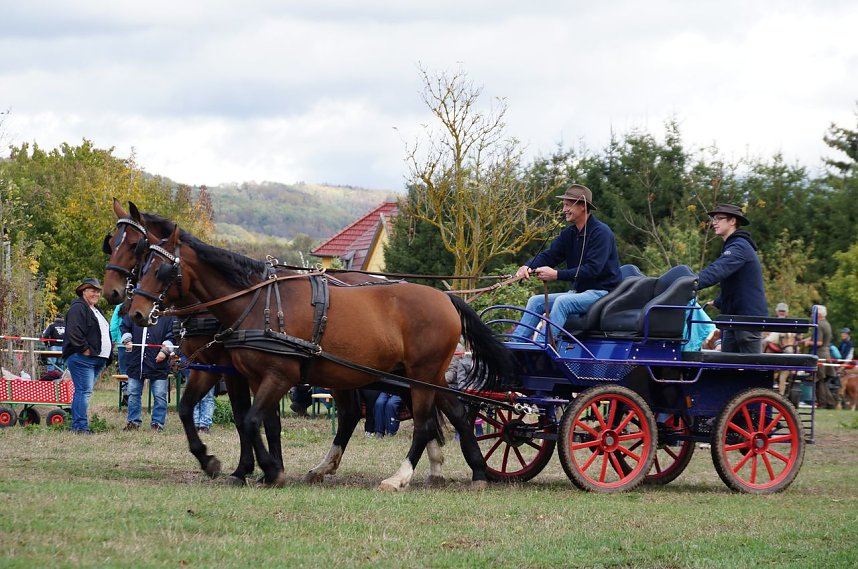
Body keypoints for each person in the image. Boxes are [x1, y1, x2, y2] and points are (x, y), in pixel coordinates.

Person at [513, 184, 621, 341]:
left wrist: (557, 275)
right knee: (535, 301)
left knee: (563, 302)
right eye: (564, 205)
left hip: (602, 293)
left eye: (567, 205)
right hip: (579, 293)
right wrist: (527, 266)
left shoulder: (601, 233)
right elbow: (550, 256)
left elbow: (592, 269)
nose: (564, 209)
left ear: (583, 206)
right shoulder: (569, 234)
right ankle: (515, 346)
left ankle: (542, 347)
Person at [697, 204, 768, 353]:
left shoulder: (739, 247)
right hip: (733, 319)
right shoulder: (734, 245)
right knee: (728, 366)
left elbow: (717, 270)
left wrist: (690, 282)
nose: (714, 222)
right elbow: (738, 285)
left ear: (732, 221)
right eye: (713, 219)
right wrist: (719, 301)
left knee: (752, 369)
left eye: (719, 218)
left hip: (747, 320)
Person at [62, 278, 112, 434]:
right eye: (92, 290)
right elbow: (73, 331)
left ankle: (79, 425)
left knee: (84, 391)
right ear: (83, 291)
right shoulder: (78, 308)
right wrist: (85, 349)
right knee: (83, 391)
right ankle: (79, 427)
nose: (96, 293)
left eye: (98, 291)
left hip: (97, 358)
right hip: (83, 358)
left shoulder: (95, 310)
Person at [120, 313, 177, 432]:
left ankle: (157, 423)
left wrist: (165, 351)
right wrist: (127, 339)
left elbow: (172, 335)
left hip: (159, 364)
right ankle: (133, 422)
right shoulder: (136, 311)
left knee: (160, 396)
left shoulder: (167, 315)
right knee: (133, 394)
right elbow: (125, 326)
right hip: (136, 362)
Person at [802, 305, 838, 409]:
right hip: (826, 354)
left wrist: (808, 343)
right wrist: (807, 339)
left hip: (820, 354)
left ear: (819, 314)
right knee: (822, 381)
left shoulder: (819, 325)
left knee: (819, 381)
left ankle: (825, 403)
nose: (812, 315)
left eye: (814, 313)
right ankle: (830, 403)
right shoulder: (826, 324)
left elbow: (819, 342)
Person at [763, 302, 798, 395]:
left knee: (795, 348)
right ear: (777, 312)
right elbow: (765, 333)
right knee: (764, 342)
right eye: (780, 311)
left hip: (786, 346)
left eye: (783, 311)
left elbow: (794, 337)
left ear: (787, 312)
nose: (782, 313)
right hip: (773, 345)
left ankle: (782, 394)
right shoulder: (771, 321)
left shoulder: (791, 323)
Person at [109, 303, 129, 404]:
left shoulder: (120, 306)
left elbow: (114, 325)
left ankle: (125, 392)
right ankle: (133, 393)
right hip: (137, 343)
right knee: (135, 370)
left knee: (123, 370)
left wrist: (112, 341)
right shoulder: (140, 303)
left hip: (122, 342)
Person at [40, 313, 65, 378]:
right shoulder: (67, 326)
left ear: (55, 318)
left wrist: (46, 344)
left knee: (51, 363)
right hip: (64, 347)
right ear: (63, 318)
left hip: (53, 346)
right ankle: (62, 380)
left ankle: (50, 379)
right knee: (61, 364)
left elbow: (45, 335)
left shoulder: (52, 326)